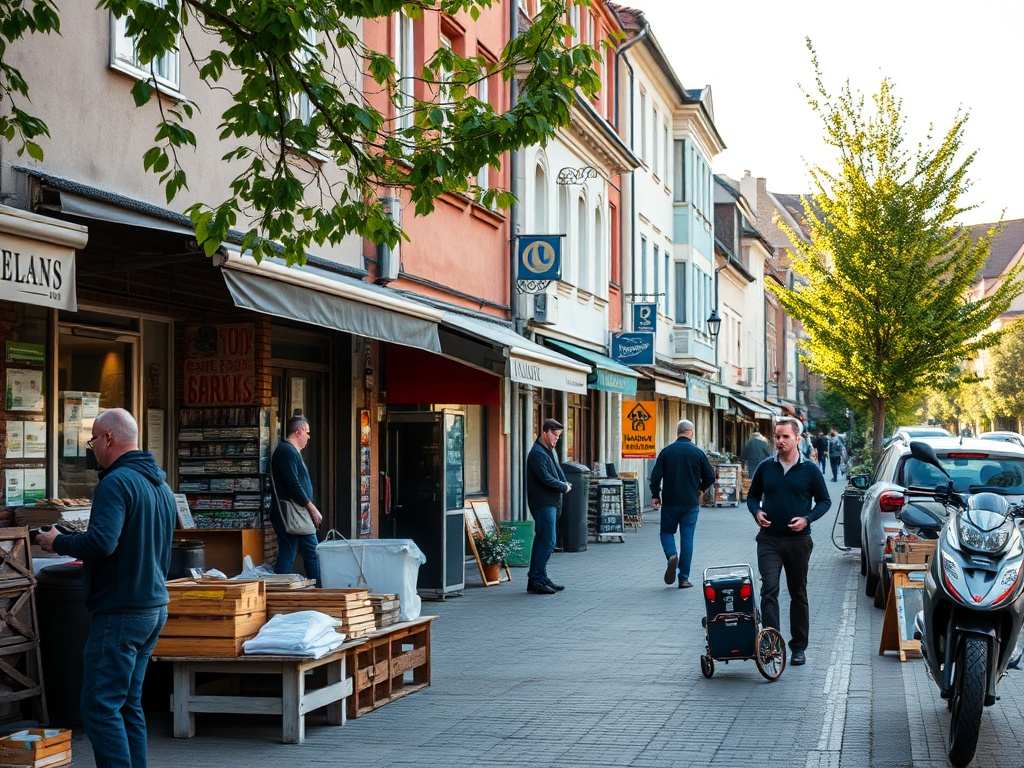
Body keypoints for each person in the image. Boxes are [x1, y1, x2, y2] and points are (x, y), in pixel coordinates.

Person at [37, 408, 176, 767]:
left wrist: (58, 543)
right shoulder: (158, 484)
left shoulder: (116, 482)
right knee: (127, 702)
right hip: (152, 607)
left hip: (121, 611)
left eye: (93, 439)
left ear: (109, 438)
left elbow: (102, 543)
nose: (92, 447)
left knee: (99, 707)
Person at [746, 416, 831, 666]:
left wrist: (807, 518)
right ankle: (773, 644)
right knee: (769, 590)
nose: (780, 441)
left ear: (797, 438)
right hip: (769, 540)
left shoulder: (810, 470)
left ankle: (798, 647)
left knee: (798, 593)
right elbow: (752, 497)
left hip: (798, 541)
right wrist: (756, 512)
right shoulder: (765, 467)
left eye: (785, 436)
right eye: (777, 436)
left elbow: (825, 501)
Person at [650, 419, 716, 589]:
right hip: (690, 502)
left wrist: (655, 494)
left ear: (677, 432)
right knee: (687, 538)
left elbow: (655, 476)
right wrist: (699, 488)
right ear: (691, 433)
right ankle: (683, 578)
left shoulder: (666, 452)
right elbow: (710, 476)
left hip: (670, 501)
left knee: (666, 532)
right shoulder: (697, 452)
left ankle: (672, 555)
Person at [271, 415, 323, 586]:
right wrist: (312, 508)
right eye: (307, 432)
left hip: (294, 515)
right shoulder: (287, 452)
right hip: (292, 515)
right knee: (294, 552)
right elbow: (293, 485)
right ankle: (282, 590)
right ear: (299, 431)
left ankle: (315, 588)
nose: (309, 437)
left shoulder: (290, 452)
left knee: (306, 552)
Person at [525, 418, 571, 595]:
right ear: (545, 432)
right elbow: (545, 477)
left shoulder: (549, 451)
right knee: (548, 540)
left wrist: (564, 482)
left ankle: (539, 577)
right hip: (543, 504)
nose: (556, 439)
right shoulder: (537, 453)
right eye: (554, 435)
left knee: (542, 540)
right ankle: (536, 579)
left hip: (551, 503)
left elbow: (557, 471)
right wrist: (563, 486)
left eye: (558, 436)